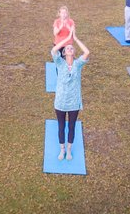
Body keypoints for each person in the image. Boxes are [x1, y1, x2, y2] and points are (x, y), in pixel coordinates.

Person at [51, 26, 90, 161]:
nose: (69, 48)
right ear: (64, 53)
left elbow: (87, 51)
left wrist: (76, 39)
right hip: (60, 101)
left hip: (73, 101)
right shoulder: (59, 63)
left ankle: (69, 150)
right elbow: (54, 49)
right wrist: (67, 39)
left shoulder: (78, 64)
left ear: (73, 53)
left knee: (72, 126)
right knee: (61, 126)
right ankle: (62, 150)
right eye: (67, 48)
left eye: (71, 48)